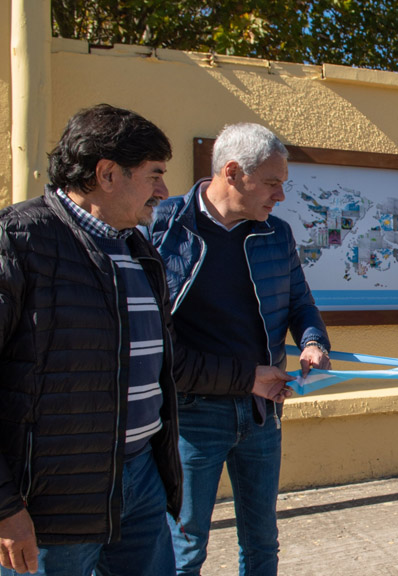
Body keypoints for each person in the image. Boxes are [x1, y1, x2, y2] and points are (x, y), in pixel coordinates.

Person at [0, 104, 182, 575]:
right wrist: (4, 508)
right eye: (154, 175)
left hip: (140, 484)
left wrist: (249, 378)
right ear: (106, 173)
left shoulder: (139, 253)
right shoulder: (19, 239)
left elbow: (156, 363)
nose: (164, 191)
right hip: (49, 506)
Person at [146, 123, 331, 576]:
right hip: (191, 417)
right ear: (232, 172)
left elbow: (300, 304)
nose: (280, 196)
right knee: (185, 549)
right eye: (272, 183)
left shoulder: (277, 234)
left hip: (261, 412)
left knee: (262, 544)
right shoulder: (162, 227)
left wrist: (312, 342)